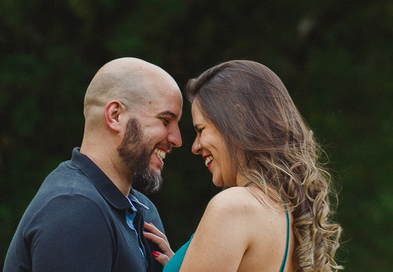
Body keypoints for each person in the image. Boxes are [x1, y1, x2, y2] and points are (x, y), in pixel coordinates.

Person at [144, 60, 341, 272]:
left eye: (201, 130)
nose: (195, 146)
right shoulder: (285, 214)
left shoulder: (234, 208)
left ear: (239, 119)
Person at [2, 57, 184, 272]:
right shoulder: (73, 209)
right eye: (165, 120)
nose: (177, 139)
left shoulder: (142, 211)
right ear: (115, 116)